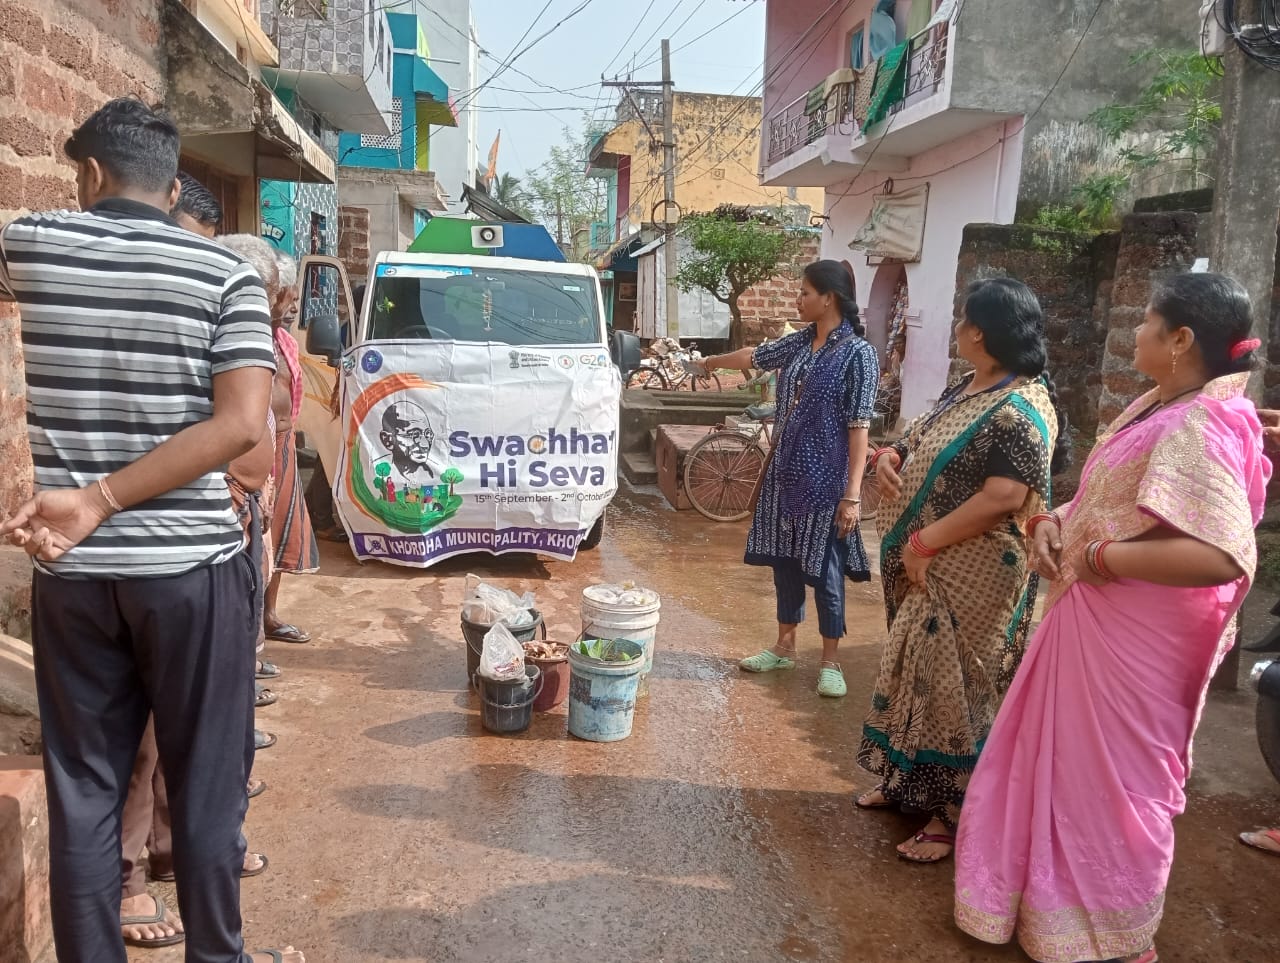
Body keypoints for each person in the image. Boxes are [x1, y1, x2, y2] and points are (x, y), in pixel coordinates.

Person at [0, 97, 303, 963]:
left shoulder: (33, 244)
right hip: (190, 571)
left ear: (90, 174)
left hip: (73, 574)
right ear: (173, 190)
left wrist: (87, 503)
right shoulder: (223, 276)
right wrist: (102, 496)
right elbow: (241, 426)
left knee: (85, 796)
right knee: (207, 794)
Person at [954, 272, 1270, 963]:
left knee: (1117, 786)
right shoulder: (1160, 405)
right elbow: (1111, 498)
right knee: (1067, 770)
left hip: (1135, 639)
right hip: (1098, 620)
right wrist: (1052, 522)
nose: (1134, 331)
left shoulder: (1199, 423)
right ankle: (1048, 913)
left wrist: (1100, 555)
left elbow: (1220, 555)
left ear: (1179, 339)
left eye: (1146, 321)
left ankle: (1117, 934)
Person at [854, 278, 1067, 863]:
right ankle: (906, 784)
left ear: (982, 331)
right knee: (913, 670)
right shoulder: (968, 386)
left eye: (963, 319)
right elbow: (920, 436)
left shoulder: (1021, 407)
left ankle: (952, 814)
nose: (956, 328)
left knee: (959, 690)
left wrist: (924, 542)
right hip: (930, 566)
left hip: (974, 574)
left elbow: (1004, 496)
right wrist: (890, 456)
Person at [695, 260, 879, 698]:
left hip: (826, 483)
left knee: (827, 571)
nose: (797, 300)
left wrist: (852, 495)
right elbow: (753, 357)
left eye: (804, 293)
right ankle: (784, 646)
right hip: (783, 476)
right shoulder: (799, 343)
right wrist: (710, 362)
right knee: (785, 563)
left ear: (828, 298)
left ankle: (830, 661)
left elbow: (859, 428)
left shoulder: (859, 354)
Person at [264, 248, 320, 644]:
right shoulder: (245, 339)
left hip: (282, 445)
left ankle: (268, 616)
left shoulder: (285, 342)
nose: (294, 308)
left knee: (280, 530)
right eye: (290, 298)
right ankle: (249, 629)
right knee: (255, 536)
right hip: (254, 447)